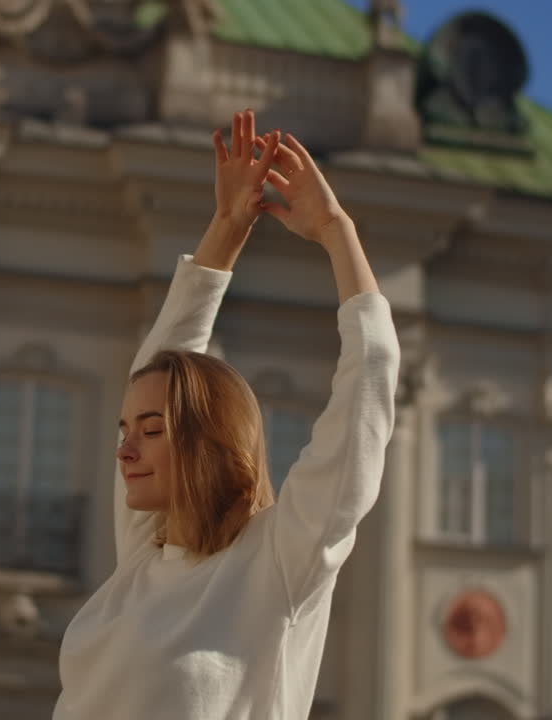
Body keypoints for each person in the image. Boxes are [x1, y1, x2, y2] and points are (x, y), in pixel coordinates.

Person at [53, 110, 401, 719]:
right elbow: (164, 355)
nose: (125, 450)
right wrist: (228, 227)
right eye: (125, 429)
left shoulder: (281, 561)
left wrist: (335, 230)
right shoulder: (144, 556)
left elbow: (367, 384)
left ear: (210, 442)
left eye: (152, 431)